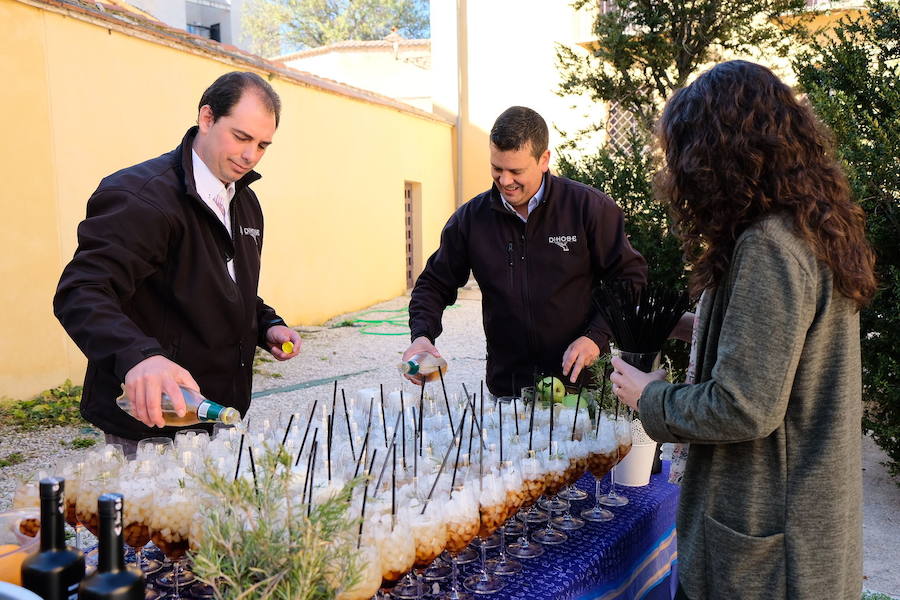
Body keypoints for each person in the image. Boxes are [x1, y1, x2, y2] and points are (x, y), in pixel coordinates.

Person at [610, 61, 876, 600]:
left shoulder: (770, 245)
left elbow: (745, 403)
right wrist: (682, 328)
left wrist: (650, 398)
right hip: (791, 527)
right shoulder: (806, 224)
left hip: (773, 555)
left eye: (685, 153)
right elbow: (773, 345)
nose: (680, 172)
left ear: (718, 155)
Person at [54, 71, 301, 454]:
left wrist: (266, 323)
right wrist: (141, 358)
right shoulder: (142, 196)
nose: (250, 155)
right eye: (241, 137)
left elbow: (224, 285)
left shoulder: (246, 201)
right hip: (151, 425)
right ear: (206, 118)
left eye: (263, 145)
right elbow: (82, 292)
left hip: (217, 415)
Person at [405, 106, 647, 396]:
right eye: (497, 169)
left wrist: (595, 337)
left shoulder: (588, 208)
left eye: (516, 171)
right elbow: (434, 283)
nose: (505, 181)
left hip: (583, 387)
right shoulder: (470, 220)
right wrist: (421, 336)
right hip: (510, 389)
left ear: (544, 159)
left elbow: (630, 278)